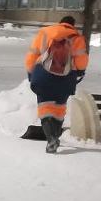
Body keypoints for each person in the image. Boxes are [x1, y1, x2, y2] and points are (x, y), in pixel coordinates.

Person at [24, 16, 89, 153]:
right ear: (72, 25)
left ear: (60, 23)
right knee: (59, 108)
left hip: (43, 75)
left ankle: (51, 139)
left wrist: (31, 73)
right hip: (66, 78)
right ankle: (55, 134)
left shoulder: (45, 33)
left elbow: (32, 55)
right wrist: (80, 72)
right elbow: (81, 61)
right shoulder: (77, 38)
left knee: (45, 107)